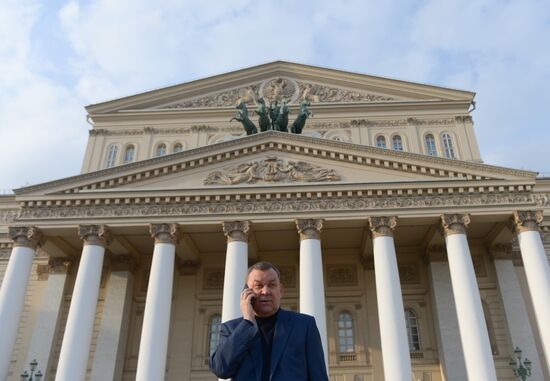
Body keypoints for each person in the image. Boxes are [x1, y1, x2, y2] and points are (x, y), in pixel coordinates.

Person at [210, 262, 328, 381]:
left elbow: (319, 376)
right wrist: (247, 324)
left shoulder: (304, 325)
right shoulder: (232, 329)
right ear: (246, 292)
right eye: (258, 286)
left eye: (272, 285)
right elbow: (221, 369)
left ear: (281, 290)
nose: (265, 291)